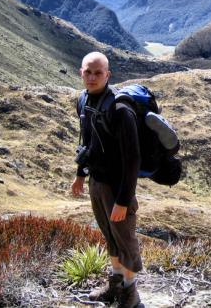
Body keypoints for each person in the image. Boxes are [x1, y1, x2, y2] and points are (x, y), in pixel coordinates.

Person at [71, 51, 142, 308]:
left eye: (98, 72)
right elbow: (87, 142)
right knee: (109, 236)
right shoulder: (83, 101)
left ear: (108, 75)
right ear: (81, 72)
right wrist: (81, 175)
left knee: (125, 239)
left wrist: (123, 200)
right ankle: (115, 285)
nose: (92, 77)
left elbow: (133, 159)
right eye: (87, 72)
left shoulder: (120, 109)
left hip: (117, 186)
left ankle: (131, 294)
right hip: (96, 182)